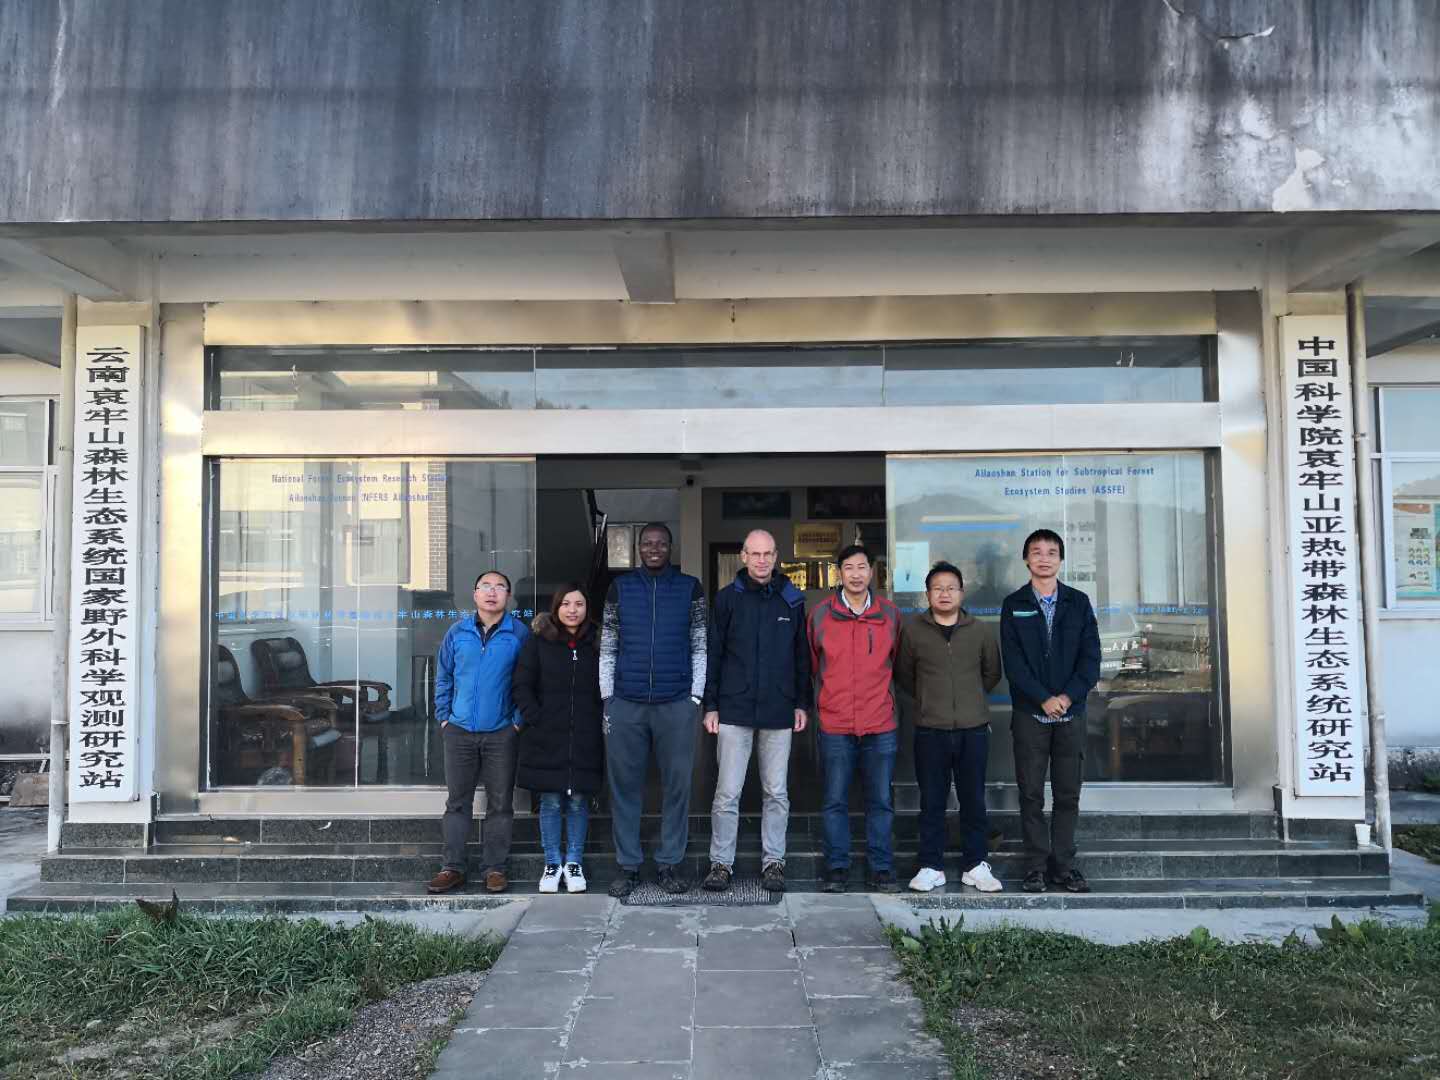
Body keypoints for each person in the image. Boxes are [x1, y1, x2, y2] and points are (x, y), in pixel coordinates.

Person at [599, 523, 708, 897]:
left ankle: (669, 864)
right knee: (624, 787)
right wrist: (608, 696)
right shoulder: (620, 588)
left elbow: (699, 643)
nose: (654, 548)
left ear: (670, 547)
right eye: (647, 543)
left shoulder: (690, 588)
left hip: (676, 702)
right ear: (638, 548)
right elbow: (609, 642)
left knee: (677, 786)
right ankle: (628, 866)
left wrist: (695, 697)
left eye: (661, 543)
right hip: (626, 703)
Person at [702, 529, 811, 894]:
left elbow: (801, 656)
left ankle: (774, 863)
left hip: (779, 708)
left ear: (776, 557)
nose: (762, 560)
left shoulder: (791, 599)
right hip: (734, 708)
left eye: (768, 554)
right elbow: (715, 654)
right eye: (755, 554)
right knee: (727, 792)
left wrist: (801, 702)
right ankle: (720, 864)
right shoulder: (726, 599)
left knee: (776, 792)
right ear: (744, 556)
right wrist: (711, 705)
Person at [1000, 529, 1101, 894]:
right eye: (1037, 552)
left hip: (1071, 716)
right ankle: (1035, 867)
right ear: (1026, 559)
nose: (1044, 558)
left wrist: (1068, 697)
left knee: (1067, 793)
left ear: (1060, 559)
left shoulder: (1078, 602)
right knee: (1030, 794)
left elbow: (1091, 659)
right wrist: (1043, 698)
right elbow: (1013, 663)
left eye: (1051, 552)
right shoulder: (1014, 603)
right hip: (1030, 715)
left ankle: (1064, 866)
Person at [896, 561, 1004, 893]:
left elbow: (992, 673)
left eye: (951, 588)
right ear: (927, 594)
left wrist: (969, 700)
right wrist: (930, 700)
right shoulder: (913, 630)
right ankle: (931, 865)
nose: (944, 594)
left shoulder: (979, 630)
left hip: (973, 729)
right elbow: (904, 675)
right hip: (930, 729)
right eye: (937, 588)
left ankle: (975, 865)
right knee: (932, 801)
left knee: (973, 800)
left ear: (961, 592)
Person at [808, 544, 904, 893]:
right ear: (839, 573)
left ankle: (882, 868)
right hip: (835, 723)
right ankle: (837, 868)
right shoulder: (820, 615)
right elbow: (813, 665)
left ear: (872, 572)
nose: (856, 574)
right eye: (849, 567)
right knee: (835, 800)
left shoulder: (890, 614)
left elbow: (898, 664)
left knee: (880, 801)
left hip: (880, 723)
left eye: (862, 567)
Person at [427, 570, 530, 895]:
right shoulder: (457, 632)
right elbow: (444, 676)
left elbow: (529, 681)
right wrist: (444, 717)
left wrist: (516, 723)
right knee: (458, 802)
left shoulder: (519, 634)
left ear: (508, 596)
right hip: (459, 731)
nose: (492, 592)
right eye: (485, 586)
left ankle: (494, 869)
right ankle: (452, 868)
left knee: (500, 803)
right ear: (474, 594)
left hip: (501, 732)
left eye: (500, 587)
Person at [512, 583, 604, 895]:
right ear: (556, 607)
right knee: (550, 800)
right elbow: (522, 684)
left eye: (579, 604)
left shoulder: (597, 642)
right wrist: (535, 718)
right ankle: (552, 863)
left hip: (585, 735)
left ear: (587, 608)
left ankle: (573, 863)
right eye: (566, 604)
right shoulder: (539, 641)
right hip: (545, 735)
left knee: (578, 800)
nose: (572, 610)